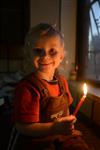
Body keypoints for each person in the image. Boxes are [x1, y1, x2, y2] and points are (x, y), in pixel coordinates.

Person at [7, 23, 91, 150]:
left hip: (60, 135)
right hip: (36, 140)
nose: (45, 56)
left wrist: (67, 124)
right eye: (38, 50)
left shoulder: (62, 82)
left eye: (52, 51)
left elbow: (66, 110)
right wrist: (54, 128)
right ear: (29, 55)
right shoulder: (27, 88)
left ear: (61, 56)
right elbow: (22, 127)